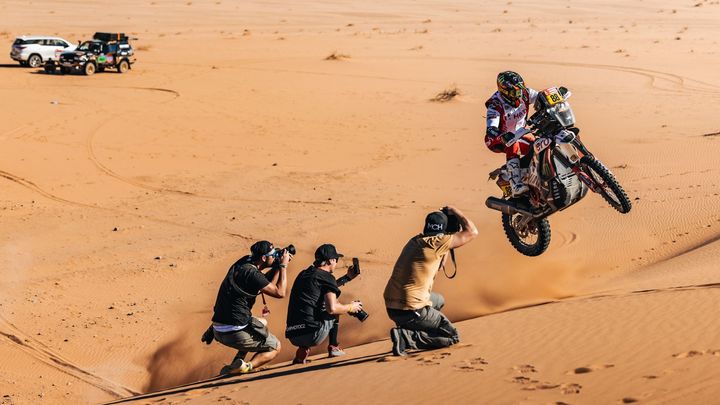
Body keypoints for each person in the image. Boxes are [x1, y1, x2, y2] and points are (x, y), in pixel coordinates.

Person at [384, 206, 478, 356]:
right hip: (411, 309)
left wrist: (447, 233)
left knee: (438, 300)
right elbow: (472, 232)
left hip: (392, 307)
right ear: (444, 231)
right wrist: (456, 212)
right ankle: (407, 338)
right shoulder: (438, 243)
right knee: (452, 337)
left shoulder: (416, 240)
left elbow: (440, 266)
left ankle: (416, 329)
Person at [205, 240, 290, 375]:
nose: (275, 257)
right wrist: (283, 266)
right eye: (272, 255)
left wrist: (276, 266)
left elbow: (264, 284)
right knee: (275, 347)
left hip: (218, 327)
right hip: (234, 332)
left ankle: (237, 361)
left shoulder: (243, 263)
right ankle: (246, 367)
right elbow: (280, 292)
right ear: (263, 258)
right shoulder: (252, 274)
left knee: (263, 322)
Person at [285, 244, 362, 364]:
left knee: (316, 304)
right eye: (336, 260)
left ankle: (302, 350)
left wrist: (347, 278)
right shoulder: (327, 277)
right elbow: (332, 309)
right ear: (330, 260)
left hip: (293, 335)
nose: (336, 263)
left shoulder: (304, 274)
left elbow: (319, 288)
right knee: (334, 304)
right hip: (312, 335)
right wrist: (351, 307)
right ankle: (334, 347)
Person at [484, 71, 539, 196]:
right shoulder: (495, 104)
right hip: (496, 138)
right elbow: (491, 126)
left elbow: (541, 98)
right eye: (515, 92)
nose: (519, 94)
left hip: (520, 133)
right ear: (504, 91)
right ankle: (515, 184)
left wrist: (555, 97)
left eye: (520, 90)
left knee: (537, 146)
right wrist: (497, 133)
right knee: (512, 141)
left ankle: (533, 175)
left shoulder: (525, 93)